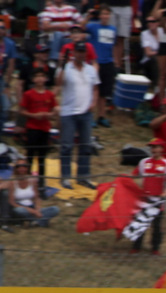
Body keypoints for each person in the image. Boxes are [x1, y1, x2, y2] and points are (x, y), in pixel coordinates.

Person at [56, 42, 100, 190]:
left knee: (85, 145)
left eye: (83, 52)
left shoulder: (90, 70)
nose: (81, 54)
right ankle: (66, 177)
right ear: (74, 52)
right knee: (67, 146)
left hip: (86, 113)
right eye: (78, 51)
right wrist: (61, 66)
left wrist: (93, 102)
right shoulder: (67, 68)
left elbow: (95, 87)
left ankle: (83, 176)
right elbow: (58, 83)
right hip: (69, 112)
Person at [132, 138, 166, 255]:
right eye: (152, 147)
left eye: (156, 147)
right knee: (140, 222)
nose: (153, 149)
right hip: (144, 199)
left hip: (158, 200)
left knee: (157, 225)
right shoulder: (144, 162)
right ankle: (136, 246)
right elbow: (134, 176)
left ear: (162, 149)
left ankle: (155, 248)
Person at [18, 68, 56, 178]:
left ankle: (41, 181)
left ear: (45, 79)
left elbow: (54, 108)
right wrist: (33, 115)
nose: (40, 79)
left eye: (42, 76)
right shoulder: (28, 94)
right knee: (30, 155)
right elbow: (21, 110)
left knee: (42, 157)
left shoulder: (49, 95)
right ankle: (27, 177)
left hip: (45, 128)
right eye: (37, 76)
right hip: (32, 128)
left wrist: (50, 115)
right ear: (33, 79)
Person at [1, 158, 59, 227]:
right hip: (20, 207)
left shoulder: (33, 180)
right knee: (19, 210)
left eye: (24, 166)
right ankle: (40, 221)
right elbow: (12, 202)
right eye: (19, 166)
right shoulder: (12, 182)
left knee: (55, 209)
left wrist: (37, 209)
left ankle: (35, 221)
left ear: (27, 168)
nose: (22, 168)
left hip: (32, 206)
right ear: (16, 168)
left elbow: (37, 198)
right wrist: (32, 211)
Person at [85, 8, 118, 128]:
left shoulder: (113, 29)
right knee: (94, 90)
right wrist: (88, 16)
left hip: (108, 62)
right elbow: (81, 27)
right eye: (104, 13)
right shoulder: (93, 27)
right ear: (100, 16)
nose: (106, 16)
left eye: (107, 13)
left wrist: (115, 61)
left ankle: (102, 116)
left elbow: (113, 46)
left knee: (104, 92)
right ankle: (91, 116)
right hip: (96, 62)